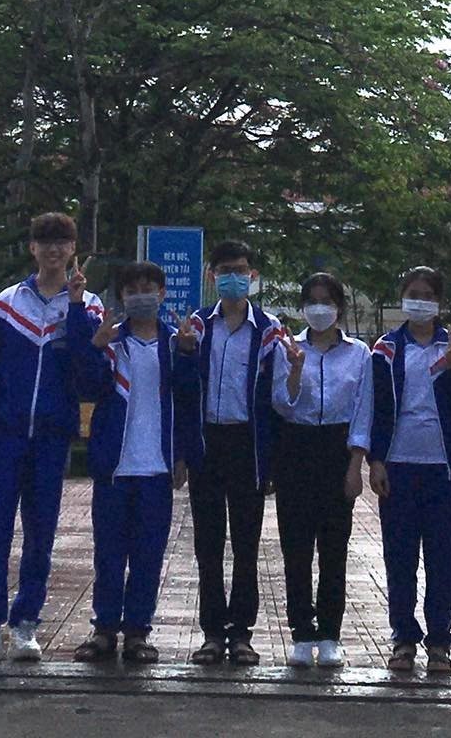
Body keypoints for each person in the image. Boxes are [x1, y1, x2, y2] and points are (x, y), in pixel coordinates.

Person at [0, 211, 102, 665]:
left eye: (62, 242)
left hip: (51, 436)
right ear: (32, 248)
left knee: (41, 533)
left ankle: (25, 626)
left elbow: (88, 375)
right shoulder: (7, 303)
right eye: (45, 241)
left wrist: (75, 309)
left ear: (73, 249)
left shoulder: (89, 305)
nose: (54, 249)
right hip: (5, 434)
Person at [69, 259, 197, 665]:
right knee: (108, 555)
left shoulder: (176, 342)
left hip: (156, 468)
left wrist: (189, 355)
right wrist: (95, 347)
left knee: (148, 555)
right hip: (115, 467)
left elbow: (187, 399)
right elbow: (88, 388)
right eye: (132, 290)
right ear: (121, 297)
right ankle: (105, 629)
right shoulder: (111, 340)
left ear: (162, 294)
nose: (141, 296)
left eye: (148, 289)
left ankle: (138, 632)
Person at [362, 266, 451, 675]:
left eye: (428, 295)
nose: (420, 301)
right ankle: (403, 638)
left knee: (442, 558)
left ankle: (440, 641)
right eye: (413, 293)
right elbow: (377, 408)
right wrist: (375, 460)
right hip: (398, 465)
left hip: (441, 468)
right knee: (400, 557)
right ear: (402, 297)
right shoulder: (386, 350)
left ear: (439, 302)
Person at [177, 239, 284, 666]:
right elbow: (183, 392)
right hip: (208, 444)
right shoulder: (198, 326)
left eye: (241, 270)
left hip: (248, 446)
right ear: (212, 276)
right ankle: (211, 633)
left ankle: (241, 633)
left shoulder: (270, 330)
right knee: (207, 544)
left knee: (246, 543)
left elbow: (276, 399)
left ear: (253, 276)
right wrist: (185, 354)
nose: (234, 277)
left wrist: (271, 460)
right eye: (225, 271)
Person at [270, 272, 372, 668]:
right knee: (295, 548)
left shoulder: (359, 353)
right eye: (311, 301)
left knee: (334, 549)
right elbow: (282, 405)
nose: (319, 308)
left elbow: (363, 410)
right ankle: (301, 631)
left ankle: (330, 633)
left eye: (326, 301)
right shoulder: (287, 348)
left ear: (340, 307)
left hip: (337, 449)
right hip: (296, 448)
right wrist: (295, 371)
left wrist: (355, 464)